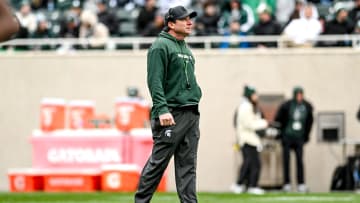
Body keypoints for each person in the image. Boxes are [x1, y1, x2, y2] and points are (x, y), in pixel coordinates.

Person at [134, 5, 202, 203]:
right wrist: (162, 109)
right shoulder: (160, 46)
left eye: (190, 18)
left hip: (190, 113)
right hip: (171, 114)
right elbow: (154, 81)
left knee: (188, 166)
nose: (190, 22)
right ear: (171, 24)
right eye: (184, 19)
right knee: (158, 164)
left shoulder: (186, 49)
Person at [275, 86, 314, 193]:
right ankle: (286, 183)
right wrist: (280, 135)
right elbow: (279, 119)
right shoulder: (287, 105)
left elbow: (310, 121)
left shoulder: (306, 106)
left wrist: (306, 136)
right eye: (298, 95)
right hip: (288, 136)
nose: (300, 97)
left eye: (301, 95)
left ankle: (301, 183)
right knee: (286, 161)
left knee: (300, 161)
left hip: (299, 137)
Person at [230, 85, 268, 195]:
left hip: (250, 140)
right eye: (254, 94)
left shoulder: (248, 106)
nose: (256, 96)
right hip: (247, 140)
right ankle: (246, 185)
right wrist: (264, 123)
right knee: (252, 163)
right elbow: (249, 124)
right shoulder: (246, 106)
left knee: (250, 163)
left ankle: (246, 185)